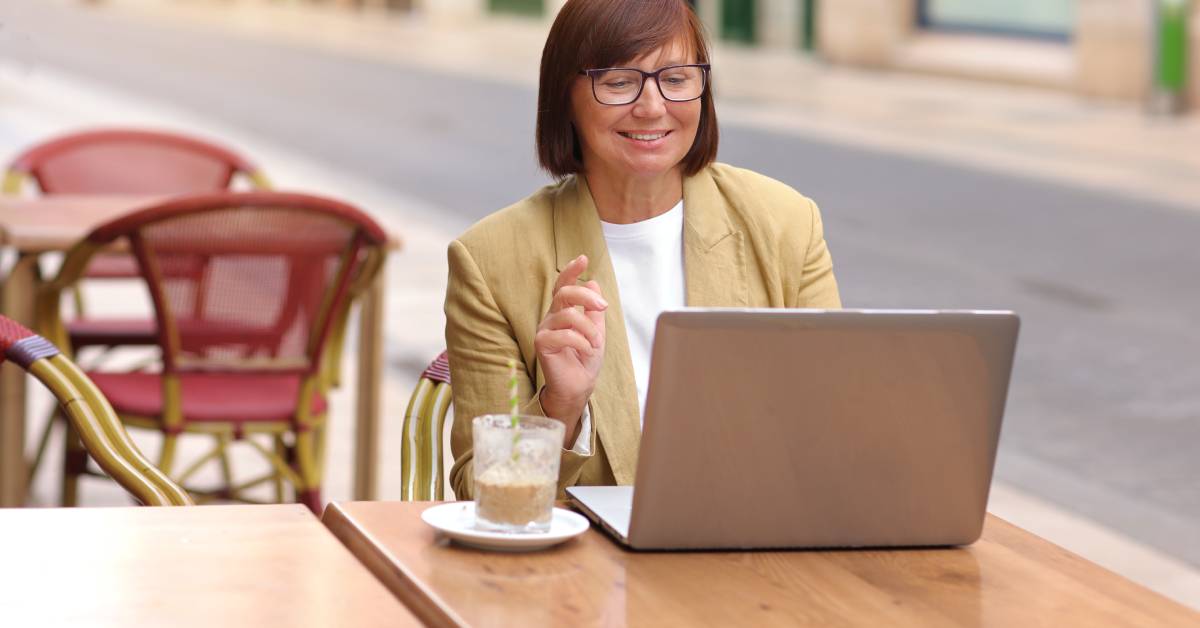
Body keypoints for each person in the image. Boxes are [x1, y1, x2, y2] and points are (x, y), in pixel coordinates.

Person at [445, 0, 840, 498]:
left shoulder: (786, 224)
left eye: (675, 79)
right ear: (564, 97)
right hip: (587, 566)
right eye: (618, 82)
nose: (652, 107)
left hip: (757, 549)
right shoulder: (490, 260)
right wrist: (560, 405)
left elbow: (835, 429)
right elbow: (479, 493)